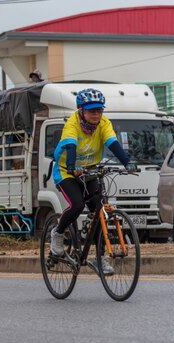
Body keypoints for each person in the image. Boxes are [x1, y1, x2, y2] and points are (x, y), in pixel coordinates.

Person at [50, 88, 137, 275]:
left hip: (90, 171)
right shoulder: (72, 124)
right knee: (77, 205)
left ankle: (99, 258)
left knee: (100, 212)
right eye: (91, 110)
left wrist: (127, 162)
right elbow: (71, 147)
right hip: (67, 171)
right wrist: (73, 167)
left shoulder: (104, 123)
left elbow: (113, 144)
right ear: (81, 110)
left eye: (99, 110)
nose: (96, 114)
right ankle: (57, 233)